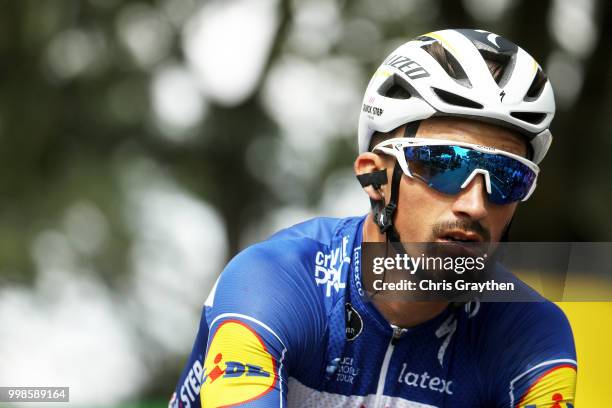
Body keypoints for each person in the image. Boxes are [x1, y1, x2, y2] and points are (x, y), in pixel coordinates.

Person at [170, 29, 576, 408]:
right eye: (445, 165)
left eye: (508, 177)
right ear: (375, 177)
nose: (475, 205)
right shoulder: (274, 281)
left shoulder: (531, 332)